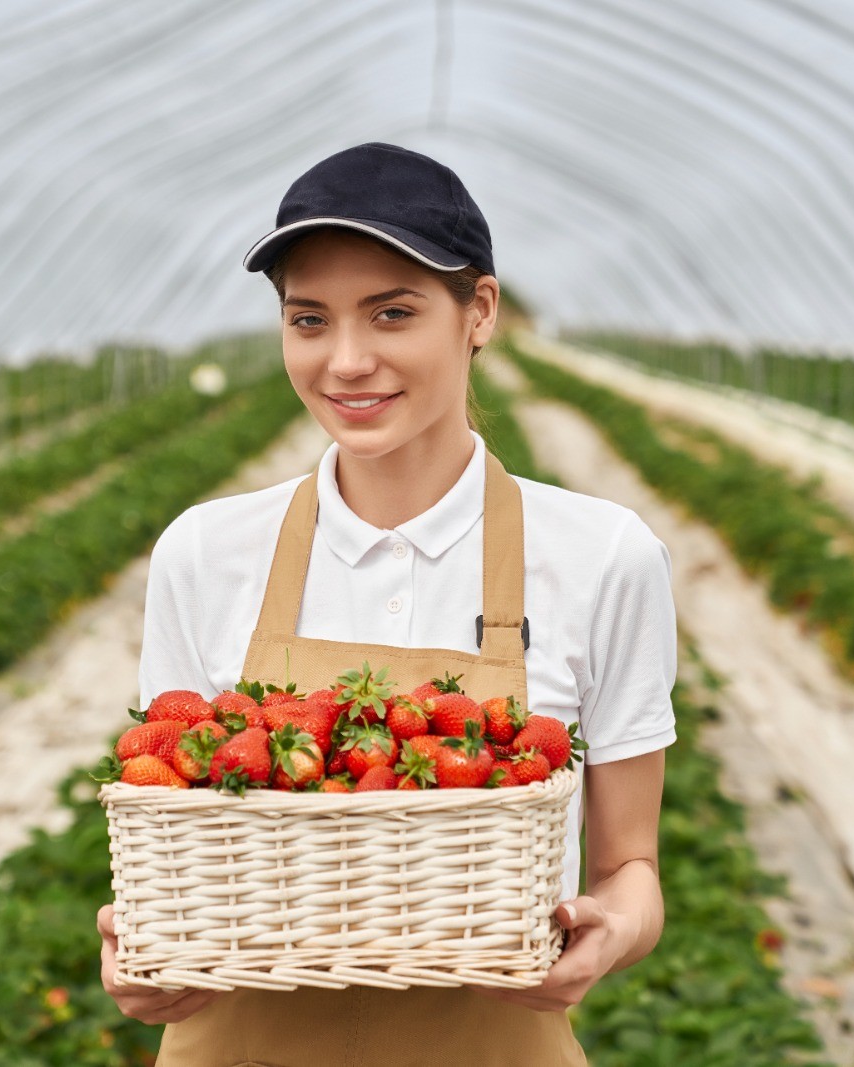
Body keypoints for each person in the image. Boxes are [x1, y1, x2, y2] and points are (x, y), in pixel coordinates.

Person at [98, 141, 677, 1066]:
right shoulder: (206, 551)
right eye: (309, 319)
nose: (347, 360)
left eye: (393, 312)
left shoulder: (603, 557)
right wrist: (142, 959)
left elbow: (627, 868)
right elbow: (176, 843)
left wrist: (611, 930)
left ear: (478, 310)